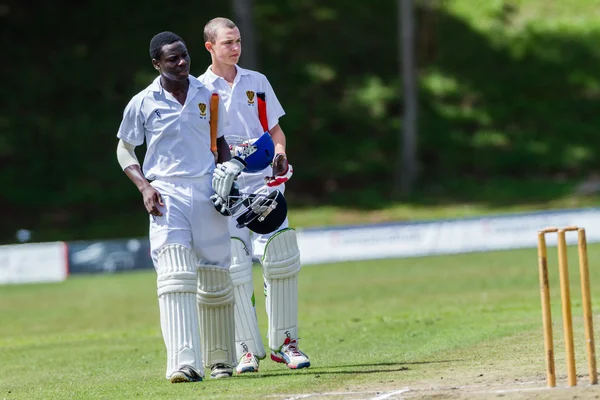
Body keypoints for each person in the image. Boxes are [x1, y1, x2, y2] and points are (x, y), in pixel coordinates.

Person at [116, 31, 242, 383]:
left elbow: (220, 143)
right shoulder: (143, 101)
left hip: (206, 189)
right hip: (166, 192)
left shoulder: (209, 95)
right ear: (157, 63)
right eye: (173, 58)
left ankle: (220, 360)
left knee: (216, 274)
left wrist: (227, 175)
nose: (182, 62)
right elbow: (124, 150)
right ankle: (183, 364)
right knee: (174, 276)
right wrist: (144, 186)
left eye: (184, 55)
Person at [199, 17, 311, 374]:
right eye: (227, 42)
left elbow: (275, 131)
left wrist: (280, 156)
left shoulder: (257, 82)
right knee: (235, 266)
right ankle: (246, 350)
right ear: (210, 47)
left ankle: (286, 344)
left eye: (238, 41)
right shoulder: (199, 89)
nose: (235, 47)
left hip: (264, 184)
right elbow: (201, 145)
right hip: (225, 190)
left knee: (280, 259)